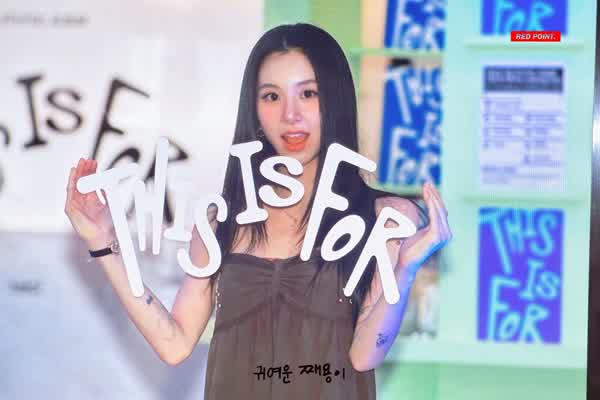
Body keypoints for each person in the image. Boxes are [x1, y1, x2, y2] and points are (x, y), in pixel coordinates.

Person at [64, 23, 451, 399]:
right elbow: (174, 344)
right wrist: (103, 243)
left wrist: (405, 269)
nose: (290, 115)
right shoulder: (221, 223)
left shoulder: (384, 219)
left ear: (335, 100)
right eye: (271, 97)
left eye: (308, 93)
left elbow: (365, 355)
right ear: (255, 110)